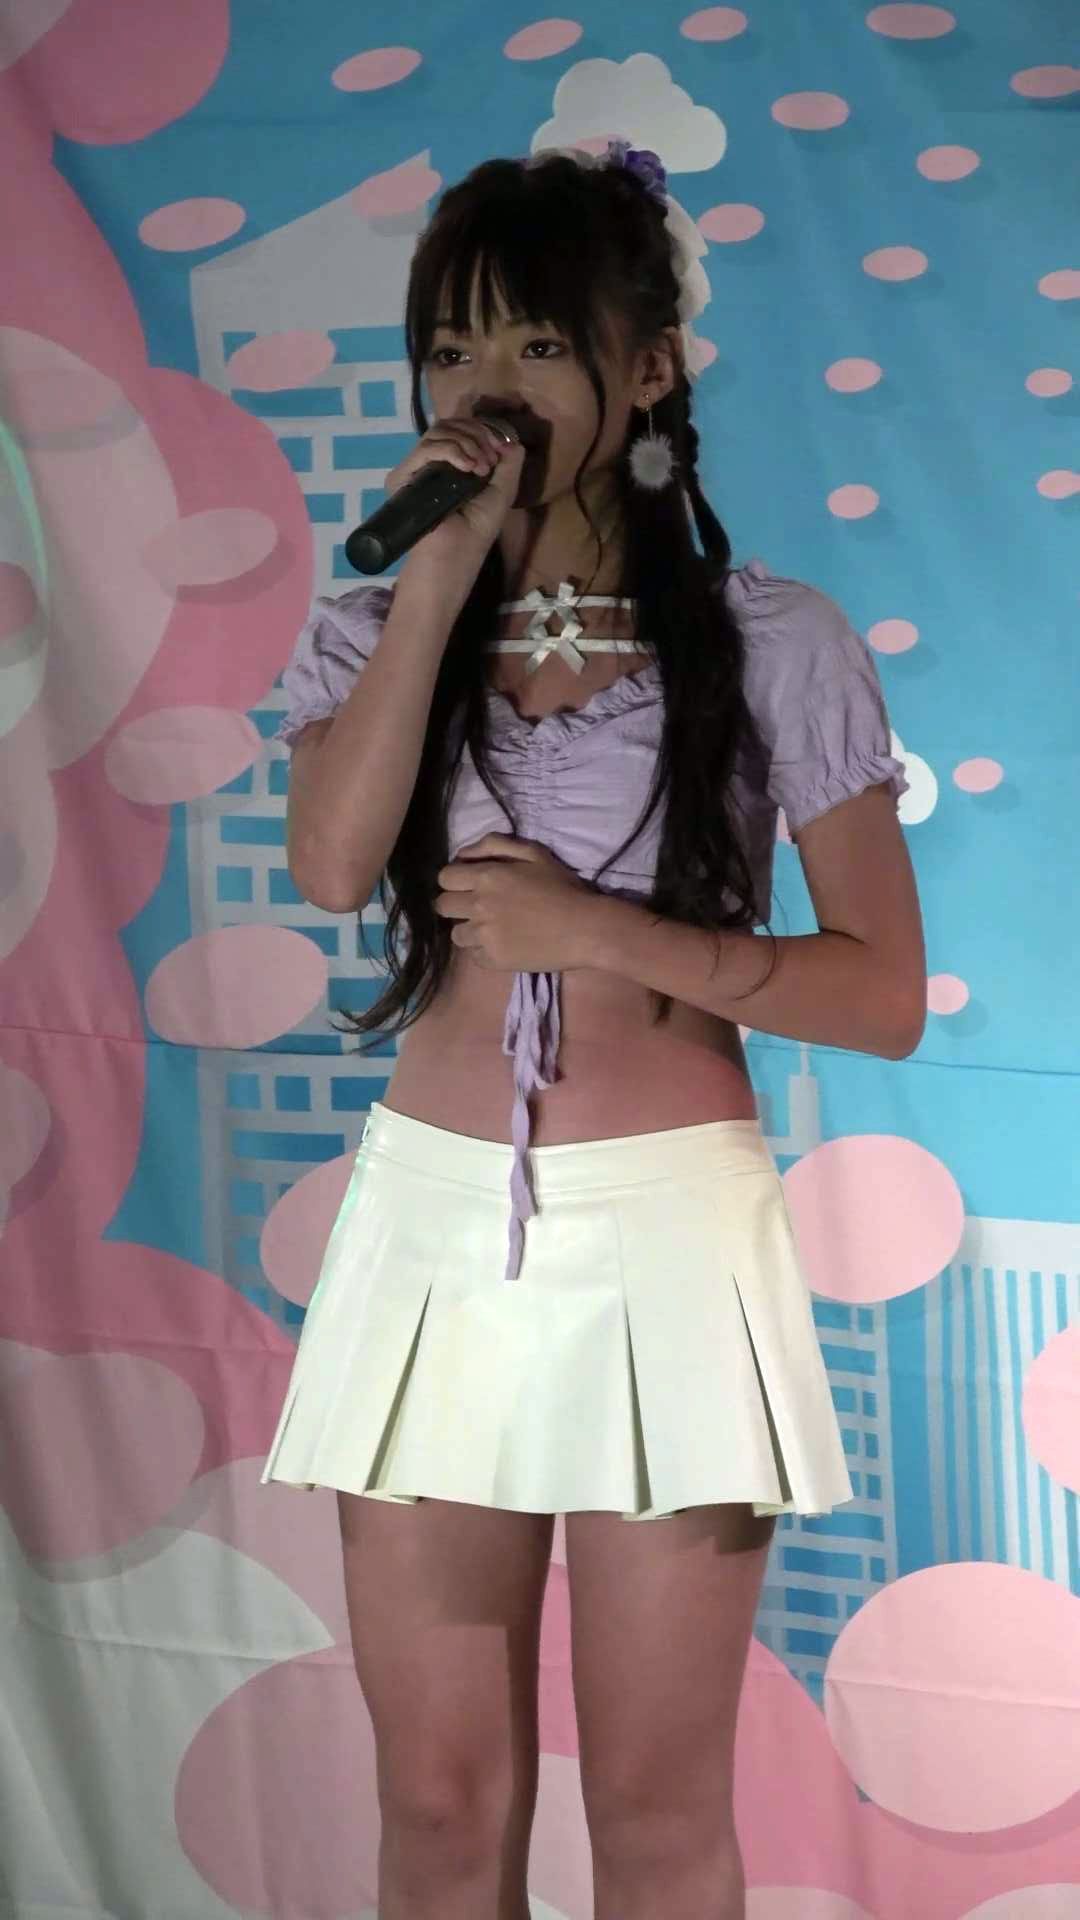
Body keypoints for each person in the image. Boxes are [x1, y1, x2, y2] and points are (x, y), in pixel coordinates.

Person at [260, 143, 925, 1920]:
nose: (484, 386)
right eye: (452, 349)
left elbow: (882, 995)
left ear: (646, 371)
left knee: (652, 1812)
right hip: (428, 1241)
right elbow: (331, 865)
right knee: (438, 1802)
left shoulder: (774, 640)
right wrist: (434, 579)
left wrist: (611, 935)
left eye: (537, 345)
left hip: (672, 1252)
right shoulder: (381, 626)